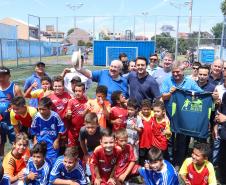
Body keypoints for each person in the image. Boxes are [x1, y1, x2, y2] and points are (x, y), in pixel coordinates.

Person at [30, 97, 66, 164]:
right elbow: (34, 129)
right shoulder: (37, 116)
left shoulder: (55, 116)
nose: (41, 111)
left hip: (52, 142)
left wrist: (57, 140)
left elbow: (61, 129)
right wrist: (35, 140)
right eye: (39, 109)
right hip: (40, 141)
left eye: (44, 109)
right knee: (39, 160)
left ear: (49, 108)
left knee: (52, 161)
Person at [0, 66, 23, 157]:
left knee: (16, 143)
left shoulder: (15, 88)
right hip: (0, 122)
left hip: (12, 122)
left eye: (4, 75)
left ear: (9, 76)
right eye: (0, 75)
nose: (1, 77)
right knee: (1, 144)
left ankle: (16, 161)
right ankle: (2, 163)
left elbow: (22, 105)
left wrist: (14, 108)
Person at [79, 112, 103, 178]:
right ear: (85, 124)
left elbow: (105, 144)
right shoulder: (83, 130)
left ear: (97, 125)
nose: (90, 130)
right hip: (90, 149)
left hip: (100, 149)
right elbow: (82, 141)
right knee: (89, 165)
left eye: (93, 127)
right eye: (88, 127)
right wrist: (85, 153)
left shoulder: (102, 131)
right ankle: (90, 177)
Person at [66, 82, 88, 147]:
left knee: (83, 150)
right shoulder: (71, 101)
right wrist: (68, 114)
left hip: (84, 131)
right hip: (72, 131)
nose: (77, 93)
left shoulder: (87, 101)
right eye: (76, 91)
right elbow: (67, 116)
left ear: (84, 91)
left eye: (79, 91)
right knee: (72, 150)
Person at [139, 99, 153, 165]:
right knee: (142, 156)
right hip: (142, 141)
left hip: (151, 141)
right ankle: (142, 168)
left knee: (150, 156)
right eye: (144, 109)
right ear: (141, 109)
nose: (146, 111)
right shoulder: (139, 116)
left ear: (150, 108)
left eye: (148, 109)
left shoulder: (153, 115)